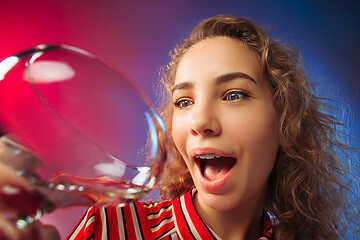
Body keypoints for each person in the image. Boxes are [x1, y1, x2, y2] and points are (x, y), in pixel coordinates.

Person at [66, 15, 360, 239]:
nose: (200, 122)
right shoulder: (113, 226)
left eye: (234, 95)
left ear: (285, 120)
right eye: (184, 102)